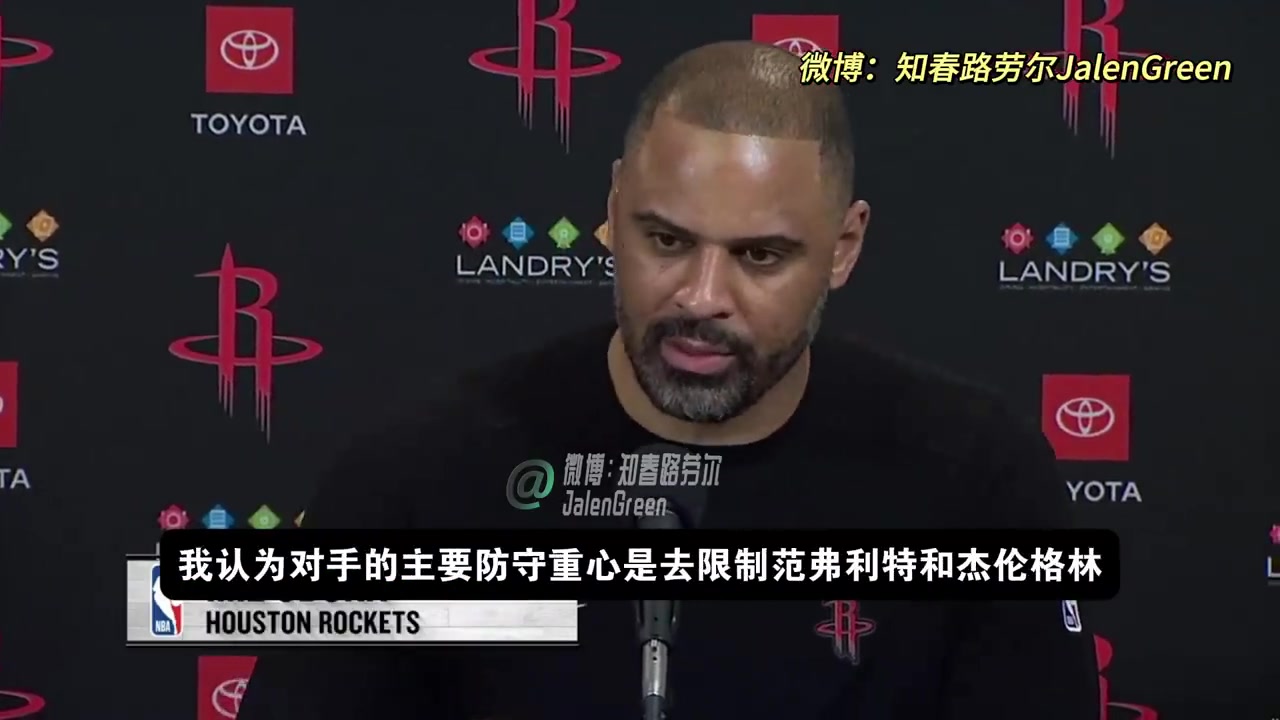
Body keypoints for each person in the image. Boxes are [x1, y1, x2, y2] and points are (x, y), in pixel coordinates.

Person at [237, 41, 1099, 719]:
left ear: (844, 247)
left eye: (760, 256)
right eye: (667, 241)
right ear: (613, 209)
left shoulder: (975, 478)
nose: (700, 297)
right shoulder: (417, 478)